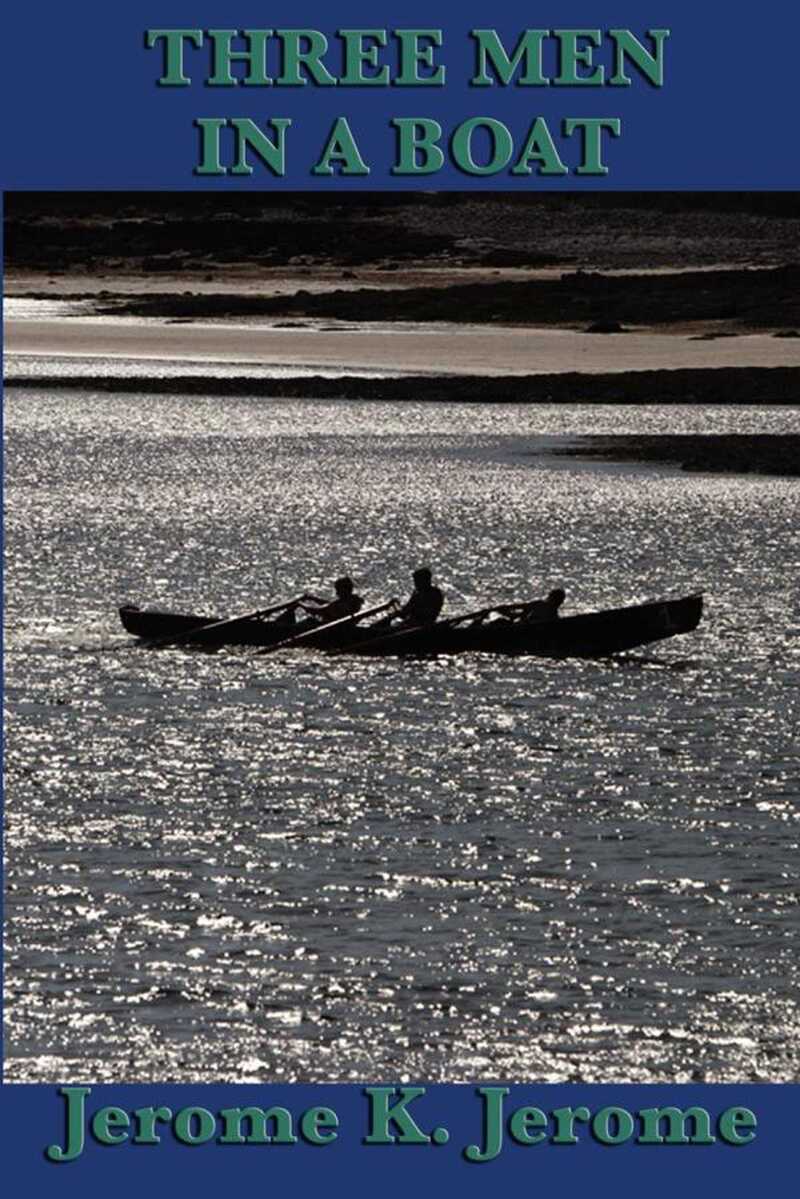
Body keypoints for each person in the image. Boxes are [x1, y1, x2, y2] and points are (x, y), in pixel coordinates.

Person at [299, 576, 364, 624]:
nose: (337, 593)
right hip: (343, 628)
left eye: (338, 590)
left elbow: (316, 611)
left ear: (345, 590)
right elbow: (329, 604)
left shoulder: (342, 605)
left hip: (331, 632)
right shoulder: (353, 600)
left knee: (310, 621)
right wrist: (313, 599)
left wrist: (300, 604)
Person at [492, 587, 565, 624]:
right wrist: (494, 609)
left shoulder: (554, 614)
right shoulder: (540, 605)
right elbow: (518, 607)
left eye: (561, 600)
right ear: (551, 598)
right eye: (558, 600)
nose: (560, 602)